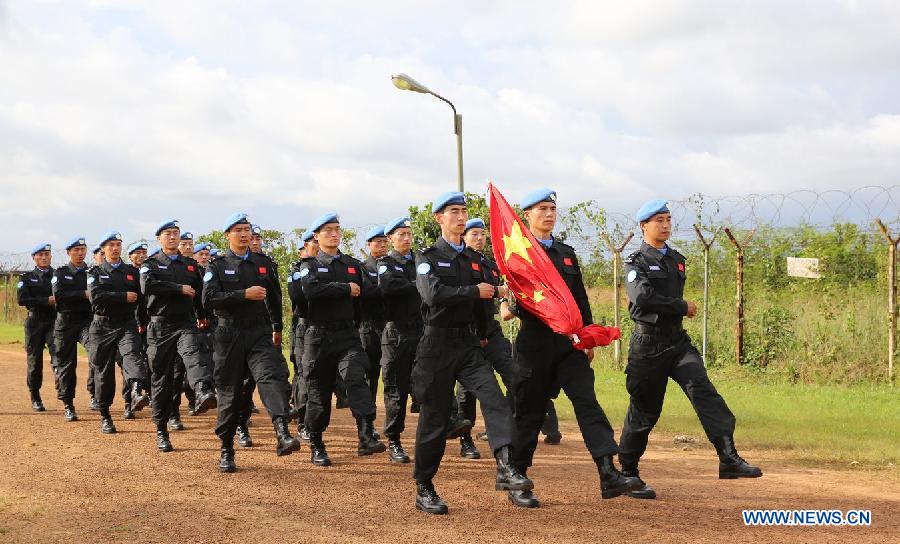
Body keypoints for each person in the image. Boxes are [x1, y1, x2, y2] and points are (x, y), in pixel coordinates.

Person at [618, 199, 762, 498]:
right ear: (644, 225)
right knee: (645, 410)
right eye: (659, 220)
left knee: (704, 391)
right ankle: (628, 472)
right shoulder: (635, 262)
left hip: (677, 342)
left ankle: (728, 457)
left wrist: (678, 312)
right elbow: (642, 297)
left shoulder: (677, 259)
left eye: (669, 219)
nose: (666, 224)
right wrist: (682, 306)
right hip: (648, 345)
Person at [507, 188, 638, 508]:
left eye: (552, 208)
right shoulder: (518, 255)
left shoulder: (566, 253)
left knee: (587, 402)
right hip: (533, 345)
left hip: (567, 345)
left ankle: (608, 473)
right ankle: (518, 478)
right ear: (527, 215)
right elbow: (517, 303)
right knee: (529, 414)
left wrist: (587, 338)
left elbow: (580, 300)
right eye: (542, 209)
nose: (549, 214)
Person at [411, 191, 531, 515]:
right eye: (454, 211)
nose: (461, 217)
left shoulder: (474, 260)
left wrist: (481, 337)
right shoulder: (427, 258)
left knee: (494, 399)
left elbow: (483, 302)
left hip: (468, 346)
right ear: (439, 218)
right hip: (436, 347)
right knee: (435, 421)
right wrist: (472, 291)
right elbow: (433, 294)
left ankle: (506, 467)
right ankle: (424, 486)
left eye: (464, 211)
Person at [203, 212, 299, 472]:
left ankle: (282, 432)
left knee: (272, 378)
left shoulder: (264, 263)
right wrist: (242, 294)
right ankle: (226, 449)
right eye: (238, 230)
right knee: (229, 393)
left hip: (259, 333)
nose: (244, 234)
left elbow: (275, 298)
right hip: (228, 335)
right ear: (228, 235)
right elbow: (209, 300)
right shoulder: (217, 265)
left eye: (247, 229)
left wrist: (277, 327)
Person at [299, 213, 385, 466]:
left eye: (337, 229)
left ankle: (366, 433)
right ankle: (316, 442)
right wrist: (344, 288)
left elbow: (364, 297)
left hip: (348, 335)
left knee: (356, 378)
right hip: (318, 337)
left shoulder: (351, 265)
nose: (334, 234)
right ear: (317, 236)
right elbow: (310, 291)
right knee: (319, 394)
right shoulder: (309, 266)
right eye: (328, 230)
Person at [141, 219, 217, 452]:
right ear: (159, 239)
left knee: (194, 354)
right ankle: (161, 429)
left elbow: (198, 294)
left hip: (185, 323)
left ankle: (203, 390)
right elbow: (148, 287)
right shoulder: (150, 264)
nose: (173, 237)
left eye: (176, 233)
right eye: (168, 233)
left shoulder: (190, 265)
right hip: (160, 327)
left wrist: (202, 314)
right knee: (162, 380)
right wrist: (177, 289)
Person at [452, 218, 516, 460]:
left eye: (483, 234)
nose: (480, 238)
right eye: (474, 234)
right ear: (464, 237)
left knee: (515, 374)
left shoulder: (490, 265)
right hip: (468, 332)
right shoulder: (460, 263)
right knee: (468, 388)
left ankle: (506, 428)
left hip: (491, 329)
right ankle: (466, 439)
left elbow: (501, 292)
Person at [86, 231, 150, 434]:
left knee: (132, 356)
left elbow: (141, 300)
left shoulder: (131, 271)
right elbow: (95, 297)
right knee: (103, 373)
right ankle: (105, 415)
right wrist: (123, 297)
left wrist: (142, 322)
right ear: (103, 249)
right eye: (111, 245)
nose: (115, 248)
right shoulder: (94, 273)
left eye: (118, 244)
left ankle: (136, 390)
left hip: (126, 324)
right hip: (102, 327)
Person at [376, 216, 422, 463]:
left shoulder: (420, 260)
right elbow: (390, 287)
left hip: (422, 331)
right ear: (391, 239)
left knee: (430, 382)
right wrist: (420, 284)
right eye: (400, 235)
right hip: (397, 334)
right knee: (396, 389)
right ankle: (394, 440)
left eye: (408, 234)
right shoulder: (386, 263)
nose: (406, 238)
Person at [51, 236, 92, 422]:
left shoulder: (92, 272)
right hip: (65, 323)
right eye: (76, 250)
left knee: (97, 353)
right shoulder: (60, 273)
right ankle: (68, 404)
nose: (80, 253)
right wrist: (82, 294)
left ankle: (96, 395)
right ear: (69, 252)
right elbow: (59, 296)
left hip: (86, 322)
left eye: (83, 249)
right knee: (67, 365)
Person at [17, 242, 57, 412]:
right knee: (35, 362)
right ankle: (35, 395)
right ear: (34, 257)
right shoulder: (26, 278)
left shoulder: (58, 275)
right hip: (35, 323)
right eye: (40, 255)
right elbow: (22, 300)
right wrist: (45, 301)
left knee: (59, 354)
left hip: (54, 321)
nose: (44, 257)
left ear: (50, 256)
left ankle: (62, 385)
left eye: (46, 254)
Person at [359, 226, 388, 439]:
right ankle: (367, 425)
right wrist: (392, 288)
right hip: (369, 329)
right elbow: (367, 292)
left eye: (384, 241)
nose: (382, 245)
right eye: (377, 242)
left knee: (392, 377)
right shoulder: (363, 268)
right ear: (369, 245)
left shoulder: (392, 265)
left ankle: (391, 423)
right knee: (370, 379)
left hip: (389, 328)